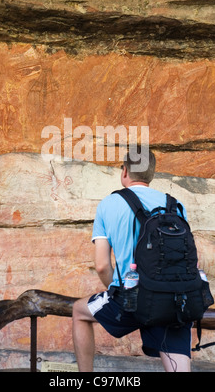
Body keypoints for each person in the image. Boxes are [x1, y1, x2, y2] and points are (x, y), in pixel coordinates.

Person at [72, 147, 192, 372]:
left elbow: (101, 265)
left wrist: (115, 291)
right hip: (173, 299)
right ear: (151, 174)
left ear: (125, 171)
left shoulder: (108, 204)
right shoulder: (174, 204)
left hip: (131, 299)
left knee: (79, 312)